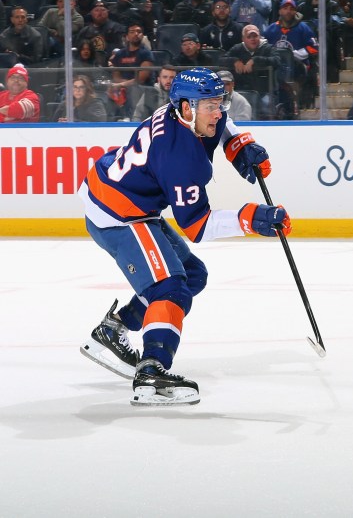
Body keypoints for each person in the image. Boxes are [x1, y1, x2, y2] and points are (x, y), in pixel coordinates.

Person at [78, 67, 288, 405]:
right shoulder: (180, 157)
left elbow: (223, 126)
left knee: (192, 275)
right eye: (210, 106)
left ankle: (112, 330)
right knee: (170, 287)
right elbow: (197, 226)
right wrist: (250, 218)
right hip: (117, 213)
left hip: (125, 199)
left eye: (220, 103)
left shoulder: (186, 112)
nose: (218, 112)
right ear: (187, 108)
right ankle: (152, 370)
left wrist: (240, 146)